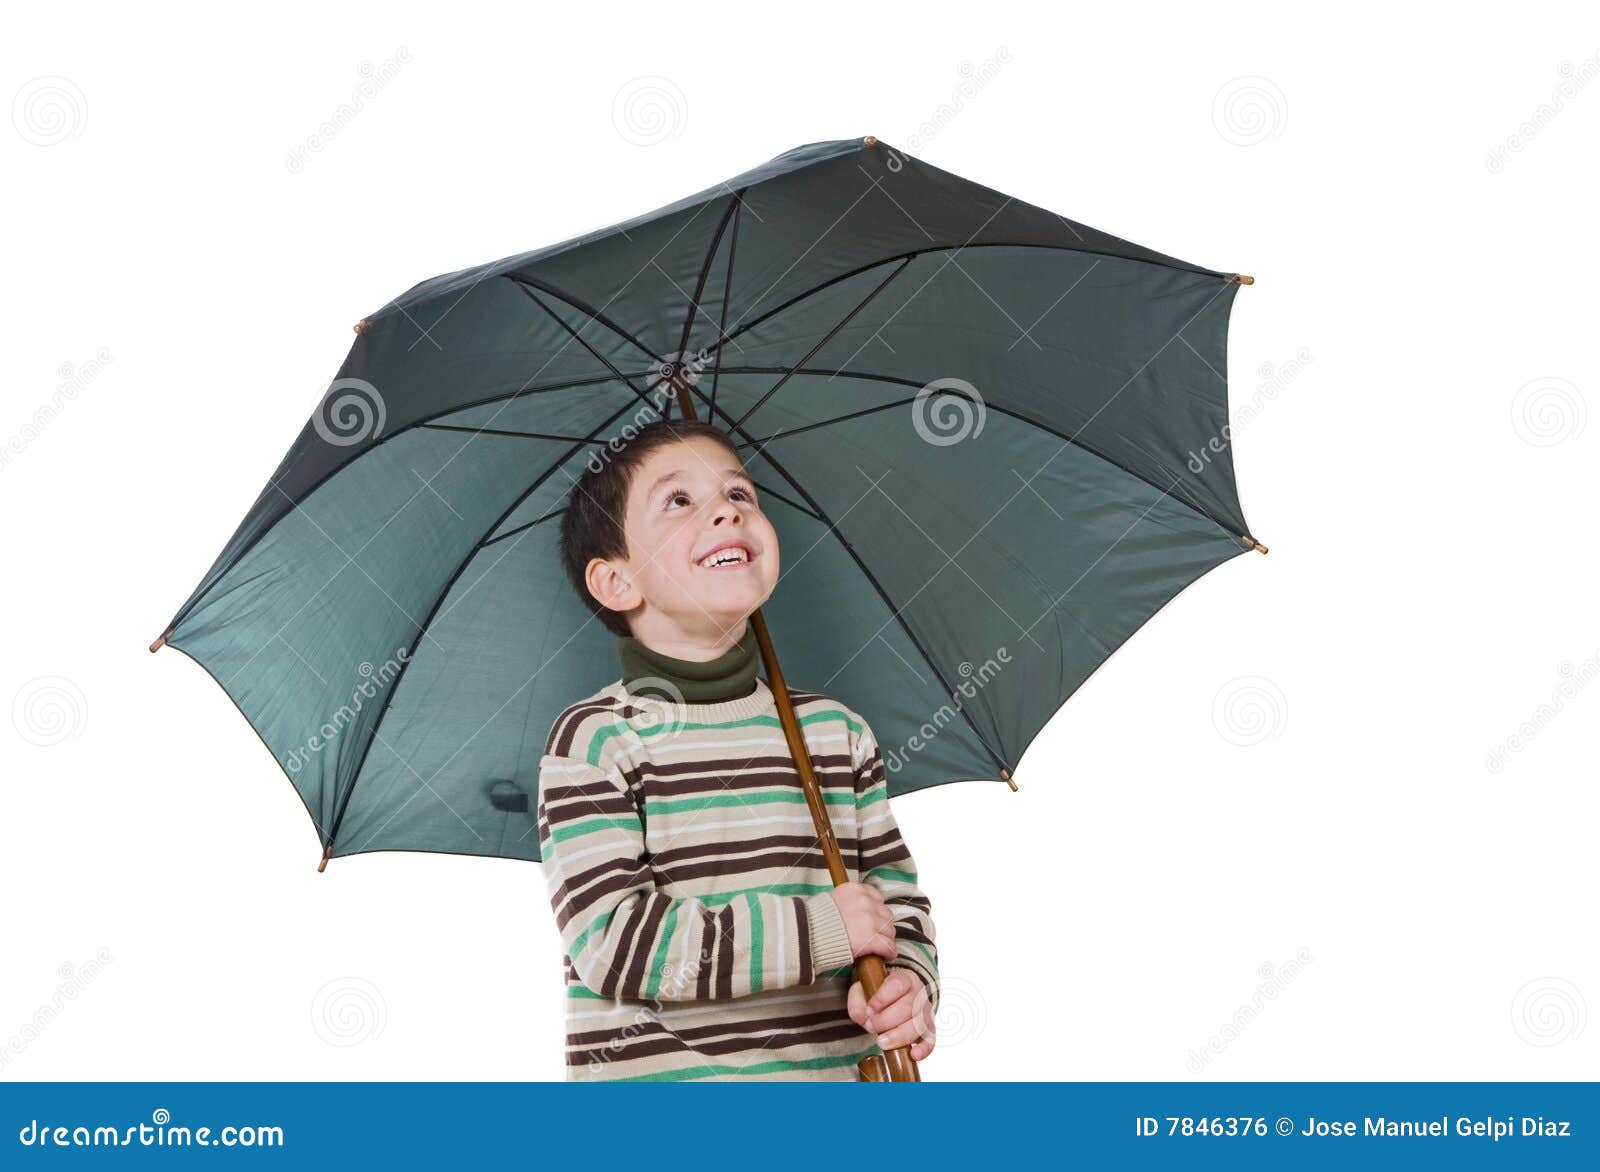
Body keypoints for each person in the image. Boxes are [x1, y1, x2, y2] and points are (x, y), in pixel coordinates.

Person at [536, 418, 940, 1081]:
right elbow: (614, 944)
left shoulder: (835, 733)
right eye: (678, 500)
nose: (726, 509)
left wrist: (909, 988)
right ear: (616, 583)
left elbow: (895, 907)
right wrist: (819, 932)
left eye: (740, 494)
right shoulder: (596, 742)